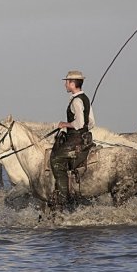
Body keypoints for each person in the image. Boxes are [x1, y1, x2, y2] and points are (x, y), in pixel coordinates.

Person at [49, 70, 95, 210]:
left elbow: (80, 123)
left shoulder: (76, 101)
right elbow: (91, 122)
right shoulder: (84, 98)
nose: (65, 85)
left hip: (76, 141)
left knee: (56, 158)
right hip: (84, 137)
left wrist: (65, 125)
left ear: (73, 84)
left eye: (67, 82)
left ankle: (63, 196)